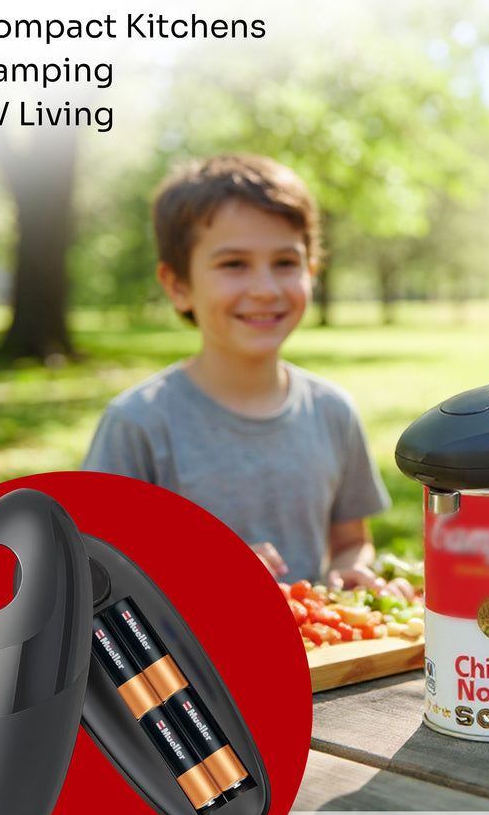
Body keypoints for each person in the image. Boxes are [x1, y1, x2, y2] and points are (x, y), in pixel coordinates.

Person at [83, 152, 390, 587]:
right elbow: (97, 576)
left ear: (311, 272)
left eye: (285, 263)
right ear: (178, 286)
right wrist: (208, 574)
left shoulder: (333, 412)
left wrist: (350, 570)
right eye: (233, 264)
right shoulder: (138, 425)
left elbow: (349, 542)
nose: (264, 290)